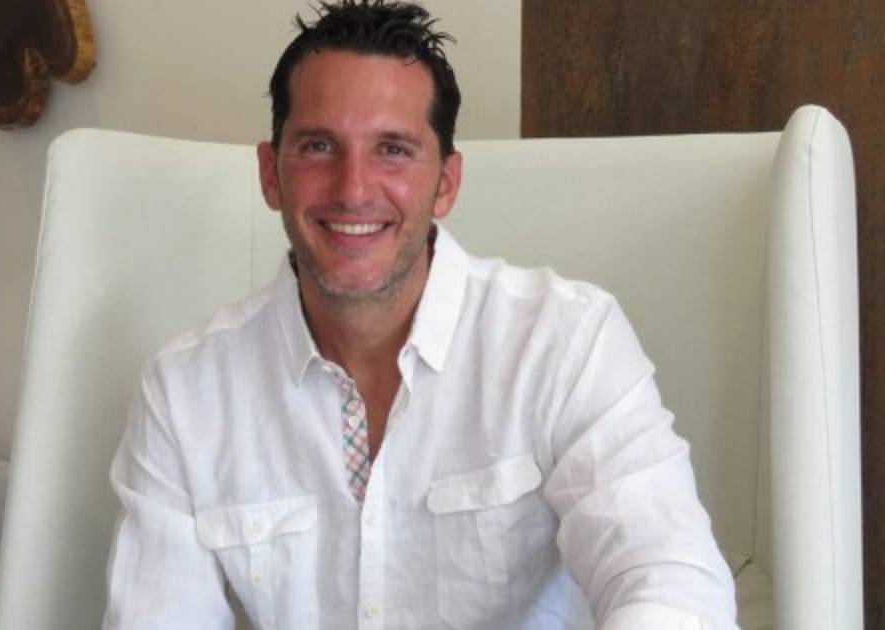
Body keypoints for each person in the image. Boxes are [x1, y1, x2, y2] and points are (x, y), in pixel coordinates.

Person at [102, 1, 738, 628]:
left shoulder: (565, 343)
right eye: (319, 146)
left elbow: (671, 581)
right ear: (271, 175)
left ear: (446, 183)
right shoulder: (184, 394)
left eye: (393, 150)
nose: (353, 189)